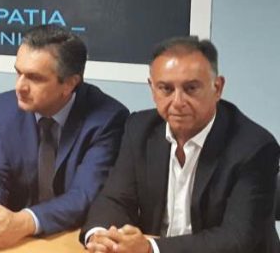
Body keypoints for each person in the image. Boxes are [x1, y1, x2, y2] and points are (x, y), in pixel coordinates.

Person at [81, 36, 280, 253]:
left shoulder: (254, 147)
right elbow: (115, 199)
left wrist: (151, 248)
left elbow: (237, 238)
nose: (178, 102)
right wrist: (101, 236)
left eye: (191, 88)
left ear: (217, 88)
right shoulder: (139, 129)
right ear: (152, 88)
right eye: (166, 89)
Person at [0, 25, 129, 249]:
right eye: (18, 72)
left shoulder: (107, 119)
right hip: (15, 241)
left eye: (35, 78)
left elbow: (84, 195)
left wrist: (24, 221)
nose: (20, 87)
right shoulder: (4, 107)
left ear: (70, 83)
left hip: (69, 238)